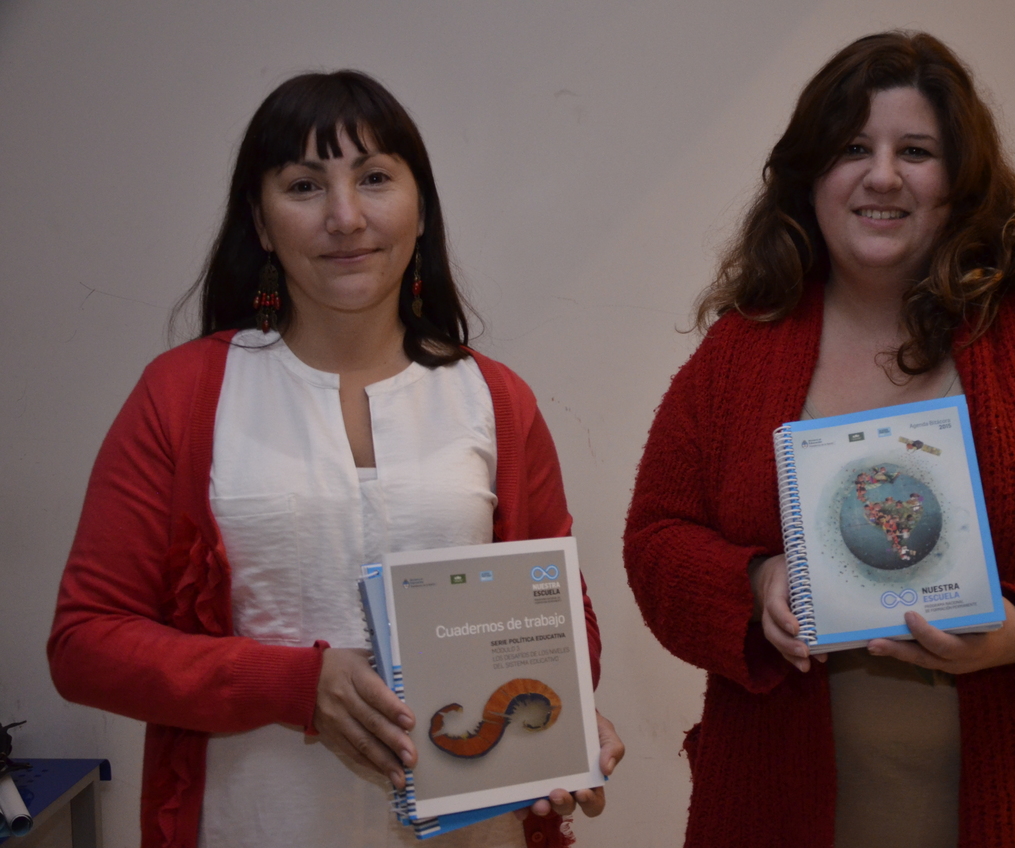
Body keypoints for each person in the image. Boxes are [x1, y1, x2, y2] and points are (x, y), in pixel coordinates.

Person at [623, 31, 1015, 848]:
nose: (882, 175)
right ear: (810, 176)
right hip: (785, 806)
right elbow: (658, 535)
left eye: (916, 151)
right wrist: (756, 584)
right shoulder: (742, 349)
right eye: (852, 148)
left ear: (960, 176)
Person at [48, 70, 622, 848]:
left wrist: (566, 717)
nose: (346, 217)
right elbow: (85, 644)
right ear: (260, 222)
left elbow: (563, 621)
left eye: (375, 178)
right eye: (304, 185)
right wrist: (296, 686)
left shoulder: (497, 400)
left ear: (422, 209)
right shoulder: (183, 397)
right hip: (250, 828)